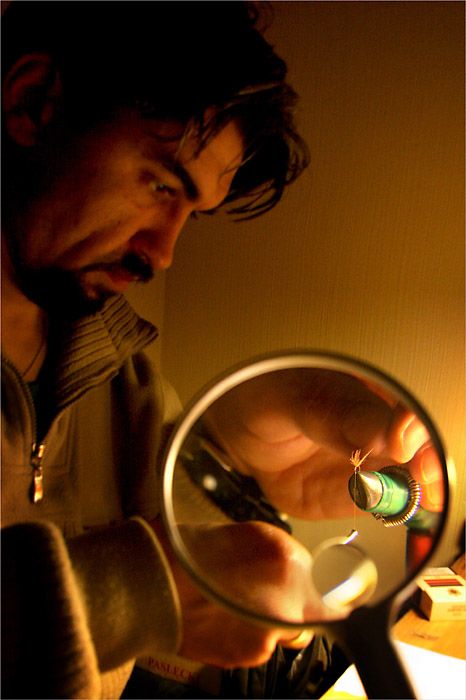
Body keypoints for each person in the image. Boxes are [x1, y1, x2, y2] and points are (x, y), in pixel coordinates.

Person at [1, 1, 440, 698]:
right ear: (32, 103)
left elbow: (148, 526)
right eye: (159, 184)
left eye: (192, 214)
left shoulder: (121, 375)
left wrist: (227, 458)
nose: (163, 254)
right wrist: (141, 594)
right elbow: (140, 572)